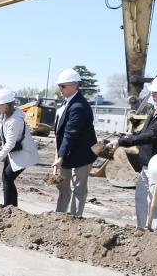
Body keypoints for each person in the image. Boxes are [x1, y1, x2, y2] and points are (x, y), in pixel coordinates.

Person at [107, 74, 157, 229]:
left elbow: (153, 135)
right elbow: (149, 131)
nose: (153, 94)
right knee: (142, 199)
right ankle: (142, 233)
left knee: (156, 204)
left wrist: (121, 141)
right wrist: (133, 135)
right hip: (148, 164)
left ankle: (154, 236)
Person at [52, 68, 97, 216]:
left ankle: (75, 219)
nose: (60, 89)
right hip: (68, 152)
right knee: (63, 187)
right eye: (59, 86)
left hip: (82, 154)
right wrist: (60, 153)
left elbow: (70, 134)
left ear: (75, 85)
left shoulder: (78, 106)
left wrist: (61, 156)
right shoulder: (67, 103)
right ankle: (60, 216)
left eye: (63, 86)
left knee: (79, 188)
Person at [0, 89, 39, 207]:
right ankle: (11, 208)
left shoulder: (15, 121)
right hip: (15, 152)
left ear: (7, 105)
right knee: (6, 178)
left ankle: (10, 208)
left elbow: (10, 143)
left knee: (7, 177)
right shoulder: (5, 115)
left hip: (24, 152)